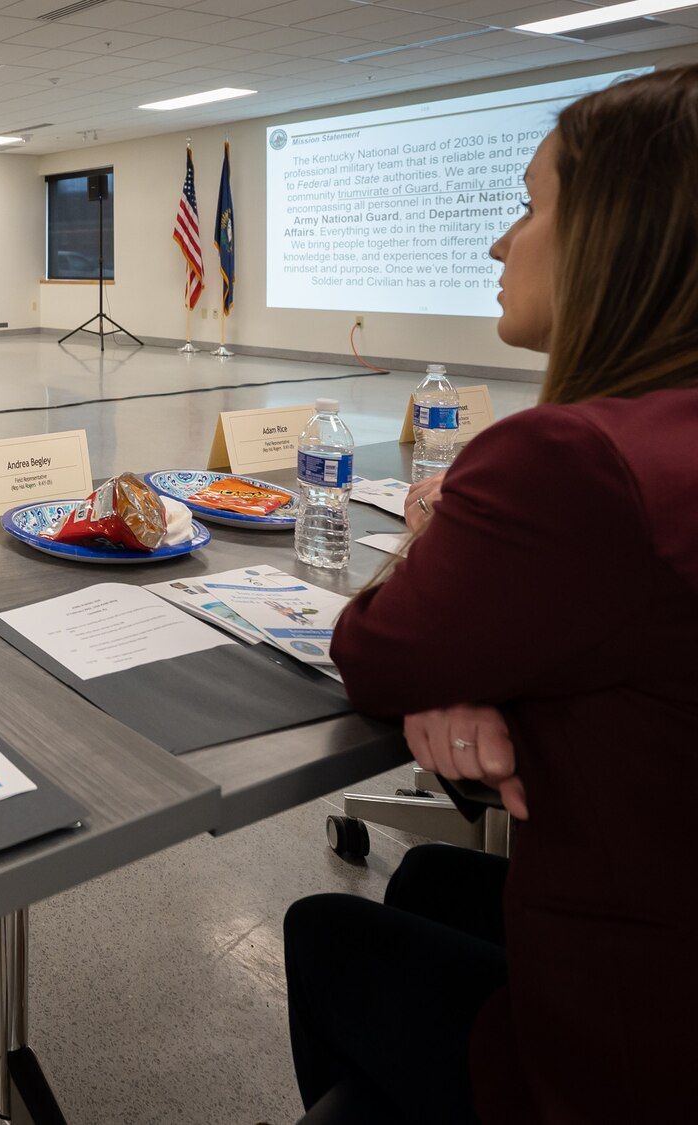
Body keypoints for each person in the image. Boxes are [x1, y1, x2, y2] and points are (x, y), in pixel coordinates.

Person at [286, 66, 698, 1125]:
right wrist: (473, 659)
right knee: (427, 881)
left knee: (327, 933)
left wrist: (442, 605)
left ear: (620, 235)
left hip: (636, 1043)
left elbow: (377, 653)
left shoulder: (574, 458)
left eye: (527, 204)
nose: (496, 244)